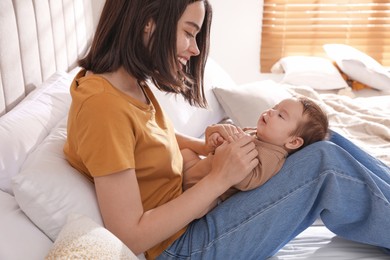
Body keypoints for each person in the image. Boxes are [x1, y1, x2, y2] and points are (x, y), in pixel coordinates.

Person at [63, 0, 390, 259]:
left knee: (328, 139)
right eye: (190, 32)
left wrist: (203, 147)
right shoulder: (102, 106)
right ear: (149, 22)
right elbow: (128, 235)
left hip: (191, 222)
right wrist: (220, 177)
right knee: (324, 162)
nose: (194, 49)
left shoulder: (129, 86)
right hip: (182, 249)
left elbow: (140, 138)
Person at [182, 96, 329, 203]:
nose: (271, 112)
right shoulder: (258, 133)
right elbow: (230, 139)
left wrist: (233, 152)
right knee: (185, 152)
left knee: (203, 208)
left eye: (280, 115)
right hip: (197, 169)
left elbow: (250, 181)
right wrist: (219, 141)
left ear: (293, 141)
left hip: (203, 191)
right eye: (275, 107)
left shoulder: (271, 156)